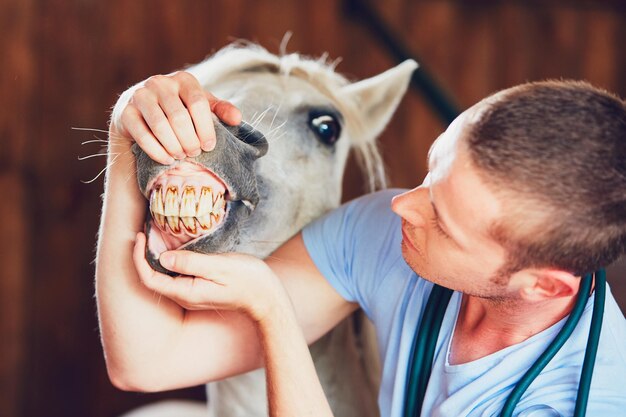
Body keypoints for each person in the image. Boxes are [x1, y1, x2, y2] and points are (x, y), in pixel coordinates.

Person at [96, 72, 626, 416]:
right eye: (431, 172)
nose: (401, 205)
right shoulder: (390, 235)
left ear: (542, 286)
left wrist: (272, 311)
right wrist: (130, 132)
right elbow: (147, 361)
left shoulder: (580, 401)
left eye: (443, 221)